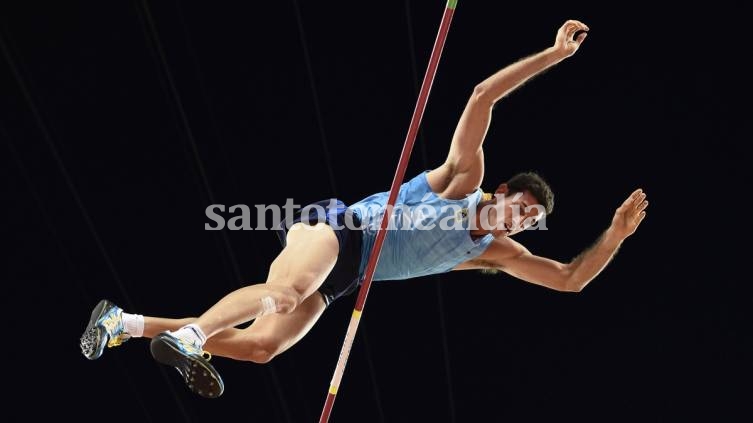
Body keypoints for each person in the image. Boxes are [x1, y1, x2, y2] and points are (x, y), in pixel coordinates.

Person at [79, 20, 648, 399]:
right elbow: (481, 97)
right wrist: (553, 54)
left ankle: (123, 324)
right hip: (337, 230)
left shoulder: (494, 252)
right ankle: (195, 335)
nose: (519, 222)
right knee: (283, 293)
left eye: (529, 221)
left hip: (346, 276)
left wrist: (616, 233)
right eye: (518, 208)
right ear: (500, 192)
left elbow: (570, 279)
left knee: (260, 348)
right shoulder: (462, 181)